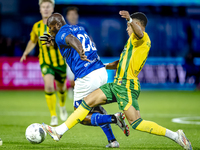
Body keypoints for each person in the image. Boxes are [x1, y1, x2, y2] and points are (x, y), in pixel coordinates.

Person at [42, 11, 193, 150]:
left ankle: (175, 135)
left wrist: (130, 19)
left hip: (126, 86)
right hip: (116, 84)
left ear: (137, 25)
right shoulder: (131, 43)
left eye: (129, 26)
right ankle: (60, 131)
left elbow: (139, 32)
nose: (127, 29)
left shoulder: (142, 38)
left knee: (137, 123)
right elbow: (121, 63)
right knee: (87, 103)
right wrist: (102, 66)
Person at [40, 13, 129, 148]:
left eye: (50, 27)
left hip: (87, 76)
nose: (49, 30)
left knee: (80, 113)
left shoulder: (61, 35)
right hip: (100, 71)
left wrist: (80, 50)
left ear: (57, 25)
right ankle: (113, 141)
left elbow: (70, 39)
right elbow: (69, 39)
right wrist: (54, 41)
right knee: (95, 107)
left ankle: (114, 118)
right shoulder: (78, 28)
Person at [20, 0, 68, 126]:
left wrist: (54, 43)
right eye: (43, 7)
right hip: (46, 62)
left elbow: (66, 41)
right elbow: (32, 41)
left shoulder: (59, 25)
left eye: (48, 7)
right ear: (40, 9)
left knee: (61, 88)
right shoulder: (37, 26)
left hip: (60, 62)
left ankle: (62, 106)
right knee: (49, 86)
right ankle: (53, 115)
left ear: (52, 9)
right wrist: (26, 52)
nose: (46, 9)